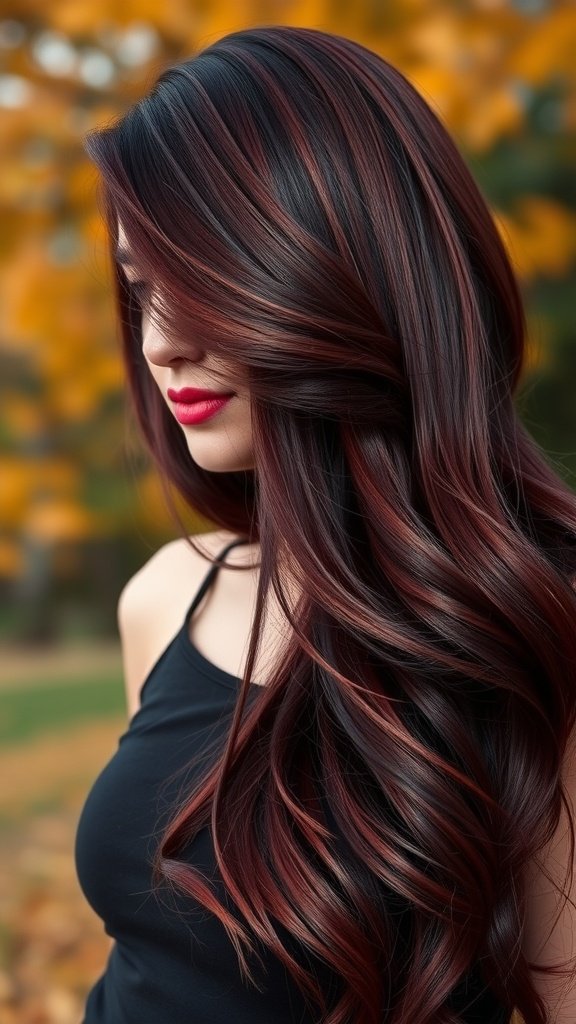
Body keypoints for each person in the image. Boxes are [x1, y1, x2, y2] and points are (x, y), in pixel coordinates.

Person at [74, 24, 576, 1024]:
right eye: (141, 289)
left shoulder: (534, 619)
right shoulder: (170, 593)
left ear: (340, 269)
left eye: (205, 281)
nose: (162, 341)